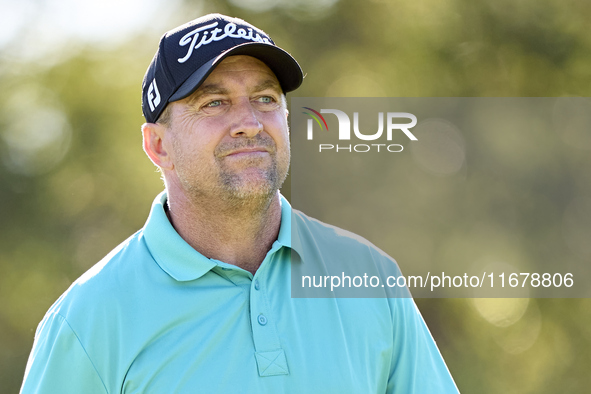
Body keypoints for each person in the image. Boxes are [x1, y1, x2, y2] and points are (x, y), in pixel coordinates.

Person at [20, 14, 459, 393]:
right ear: (158, 146)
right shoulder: (87, 320)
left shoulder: (370, 278)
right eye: (214, 103)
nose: (249, 124)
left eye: (265, 99)